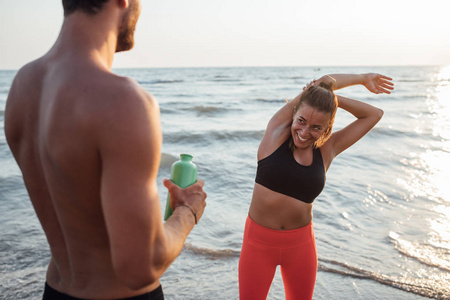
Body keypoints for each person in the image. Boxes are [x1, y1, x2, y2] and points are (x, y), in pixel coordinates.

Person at [4, 1, 207, 299]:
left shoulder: (23, 86)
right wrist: (187, 212)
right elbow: (140, 267)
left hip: (56, 290)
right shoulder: (122, 101)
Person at [239, 73, 394, 299]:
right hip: (258, 244)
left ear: (326, 128)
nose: (304, 132)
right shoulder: (275, 133)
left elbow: (374, 114)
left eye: (316, 127)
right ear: (294, 113)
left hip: (300, 246)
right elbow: (323, 82)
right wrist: (361, 78)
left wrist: (335, 101)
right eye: (301, 121)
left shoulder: (327, 150)